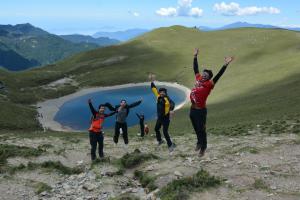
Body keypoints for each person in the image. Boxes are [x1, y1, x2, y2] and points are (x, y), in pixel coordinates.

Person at [190, 48, 234, 157]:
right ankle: (199, 142)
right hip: (192, 109)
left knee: (202, 129)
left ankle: (203, 147)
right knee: (196, 128)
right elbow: (195, 69)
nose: (204, 75)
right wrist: (195, 56)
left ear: (209, 78)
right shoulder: (199, 79)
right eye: (204, 73)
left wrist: (225, 64)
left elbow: (219, 74)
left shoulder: (210, 84)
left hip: (201, 111)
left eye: (207, 75)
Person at [149, 74, 176, 152]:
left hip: (166, 118)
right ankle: (160, 140)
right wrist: (151, 81)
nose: (161, 93)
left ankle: (170, 145)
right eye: (160, 92)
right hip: (159, 118)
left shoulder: (167, 98)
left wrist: (171, 109)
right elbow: (154, 89)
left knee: (165, 132)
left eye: (163, 92)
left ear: (165, 93)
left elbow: (172, 103)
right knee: (156, 129)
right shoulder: (158, 96)